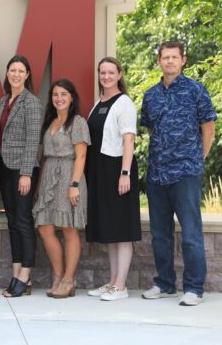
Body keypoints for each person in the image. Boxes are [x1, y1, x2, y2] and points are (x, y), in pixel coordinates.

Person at [140, 41, 217, 306]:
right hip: (157, 174)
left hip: (186, 173)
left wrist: (198, 159)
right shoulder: (150, 95)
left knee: (191, 232)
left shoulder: (196, 90)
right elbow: (151, 130)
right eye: (165, 57)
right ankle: (165, 283)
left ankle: (194, 288)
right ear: (159, 61)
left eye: (174, 57)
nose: (170, 61)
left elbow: (209, 128)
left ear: (183, 60)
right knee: (160, 233)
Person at [85, 57, 141, 301]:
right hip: (99, 169)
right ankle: (111, 282)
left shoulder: (124, 102)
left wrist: (125, 173)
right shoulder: (99, 103)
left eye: (110, 72)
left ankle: (121, 285)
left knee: (122, 228)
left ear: (119, 75)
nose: (105, 77)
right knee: (109, 228)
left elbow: (129, 139)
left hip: (117, 168)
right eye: (102, 72)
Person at [33, 79, 90, 299]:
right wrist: (40, 185)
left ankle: (69, 279)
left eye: (63, 94)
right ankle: (57, 276)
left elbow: (81, 155)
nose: (59, 98)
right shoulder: (51, 121)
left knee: (69, 228)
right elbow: (44, 154)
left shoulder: (77, 122)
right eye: (55, 94)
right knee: (45, 227)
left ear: (72, 97)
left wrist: (74, 185)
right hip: (49, 176)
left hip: (69, 176)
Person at [0, 55, 42, 297]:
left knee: (23, 221)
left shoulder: (31, 102)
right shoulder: (5, 101)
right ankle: (15, 273)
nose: (16, 74)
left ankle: (26, 275)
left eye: (20, 70)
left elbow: (33, 140)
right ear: (7, 73)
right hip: (4, 168)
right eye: (12, 70)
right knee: (12, 222)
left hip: (22, 170)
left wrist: (26, 174)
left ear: (27, 74)